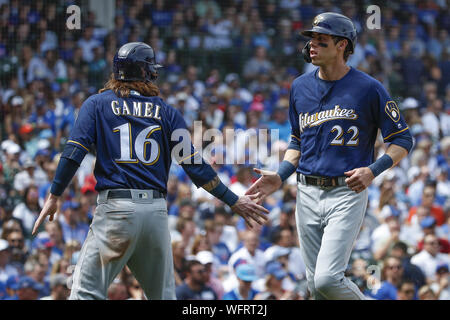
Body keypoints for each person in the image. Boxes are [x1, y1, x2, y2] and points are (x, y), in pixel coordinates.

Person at [31, 42, 268, 300]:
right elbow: (195, 166)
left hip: (116, 211)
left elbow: (73, 152)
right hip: (155, 213)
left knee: (86, 294)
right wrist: (233, 200)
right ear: (147, 72)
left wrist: (54, 194)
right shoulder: (166, 111)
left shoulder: (96, 104)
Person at [246, 12, 413, 300]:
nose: (312, 45)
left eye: (321, 40)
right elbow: (298, 140)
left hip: (346, 191)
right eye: (312, 39)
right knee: (316, 288)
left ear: (342, 45)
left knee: (326, 280)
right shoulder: (300, 86)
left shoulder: (369, 88)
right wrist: (281, 175)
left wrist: (374, 170)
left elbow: (402, 139)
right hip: (306, 191)